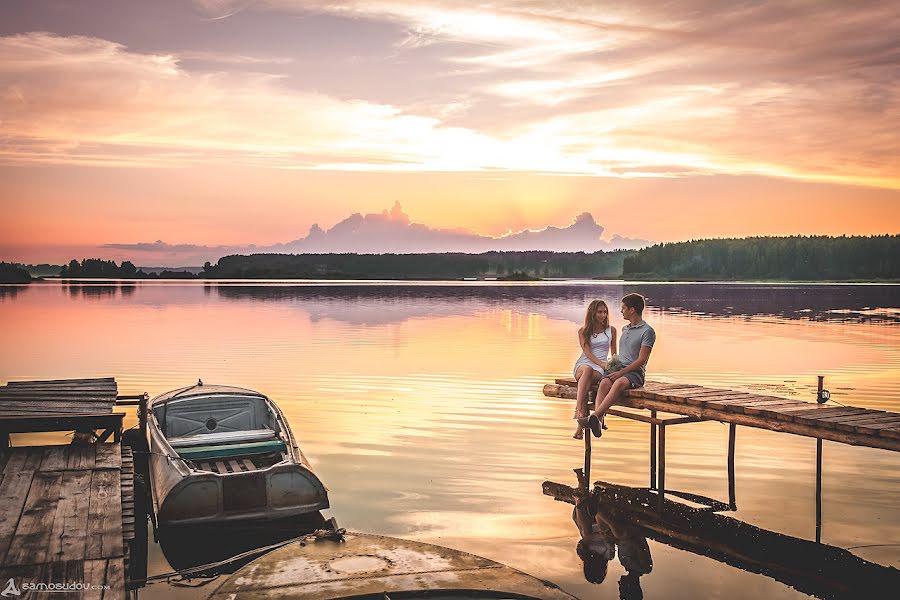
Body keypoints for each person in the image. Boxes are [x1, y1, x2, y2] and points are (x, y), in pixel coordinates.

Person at [579, 293, 656, 437]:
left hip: (635, 373)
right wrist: (614, 367)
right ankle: (598, 421)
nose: (621, 311)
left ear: (632, 310)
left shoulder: (647, 331)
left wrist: (621, 373)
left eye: (623, 308)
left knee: (619, 382)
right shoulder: (625, 329)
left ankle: (595, 416)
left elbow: (642, 360)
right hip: (620, 369)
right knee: (604, 383)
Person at [572, 300, 617, 439]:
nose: (603, 315)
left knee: (585, 385)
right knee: (587, 371)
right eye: (599, 312)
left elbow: (614, 353)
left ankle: (580, 425)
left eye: (605, 312)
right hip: (583, 364)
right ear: (592, 313)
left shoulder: (611, 330)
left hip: (599, 368)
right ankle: (579, 409)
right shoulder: (583, 331)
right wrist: (602, 364)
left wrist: (614, 366)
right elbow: (587, 352)